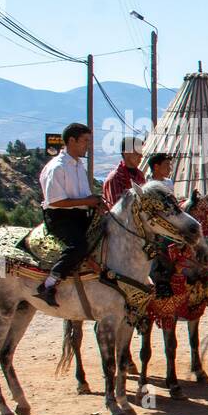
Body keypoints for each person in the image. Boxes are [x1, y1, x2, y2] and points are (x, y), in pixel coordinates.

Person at [35, 122, 101, 307]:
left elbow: (82, 196)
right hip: (60, 217)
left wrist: (95, 203)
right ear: (71, 140)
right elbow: (55, 201)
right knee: (78, 246)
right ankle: (49, 284)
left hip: (80, 215)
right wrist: (88, 202)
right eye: (85, 141)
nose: (88, 145)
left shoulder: (78, 165)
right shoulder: (57, 167)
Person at [102, 143, 145, 208]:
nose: (141, 156)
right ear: (126, 153)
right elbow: (117, 210)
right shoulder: (115, 178)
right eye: (137, 153)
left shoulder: (140, 175)